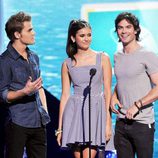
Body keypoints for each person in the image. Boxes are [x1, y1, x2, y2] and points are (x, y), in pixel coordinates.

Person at [56, 19, 112, 158]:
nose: (87, 39)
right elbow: (65, 96)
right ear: (73, 38)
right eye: (82, 36)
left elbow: (107, 91)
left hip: (96, 111)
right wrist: (60, 129)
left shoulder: (103, 58)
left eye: (89, 35)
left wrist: (108, 123)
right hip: (75, 113)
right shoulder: (67, 63)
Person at [0, 11, 50, 158]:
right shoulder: (4, 61)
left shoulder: (34, 57)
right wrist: (24, 91)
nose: (34, 33)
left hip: (38, 122)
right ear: (17, 34)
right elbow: (2, 94)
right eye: (30, 30)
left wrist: (44, 112)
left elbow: (39, 87)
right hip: (17, 122)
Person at [111, 12, 158, 158]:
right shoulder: (117, 56)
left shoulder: (147, 54)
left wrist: (137, 105)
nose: (124, 31)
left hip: (142, 124)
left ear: (136, 30)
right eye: (120, 28)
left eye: (128, 27)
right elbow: (122, 81)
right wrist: (114, 95)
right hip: (121, 123)